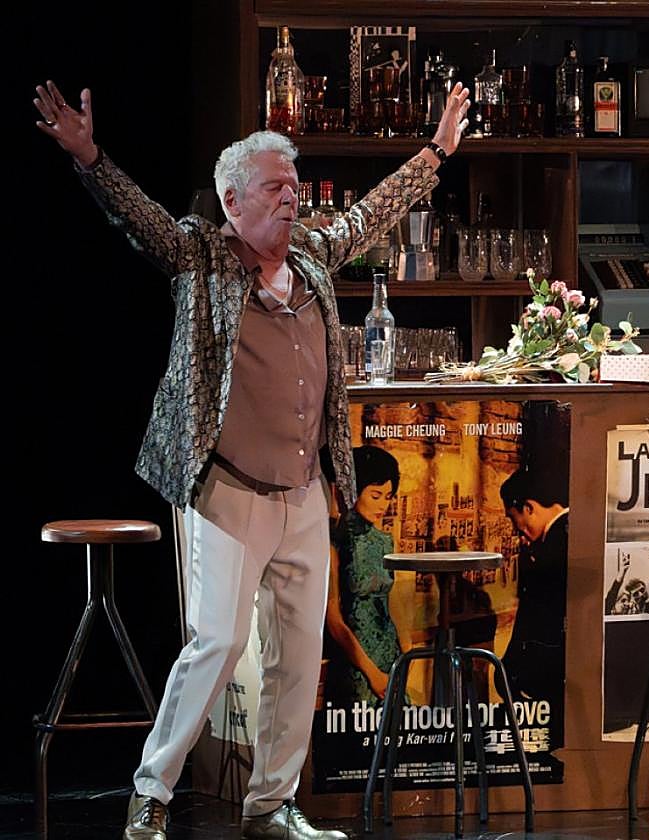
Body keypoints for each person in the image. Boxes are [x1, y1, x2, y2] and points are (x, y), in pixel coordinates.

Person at [33, 78, 471, 840]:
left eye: (294, 187)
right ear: (232, 202)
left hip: (303, 489)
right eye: (274, 188)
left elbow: (371, 212)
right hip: (227, 487)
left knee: (298, 654)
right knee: (219, 642)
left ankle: (272, 805)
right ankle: (151, 791)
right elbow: (138, 217)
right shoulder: (201, 256)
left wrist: (436, 152)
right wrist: (90, 157)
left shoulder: (313, 257)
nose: (291, 199)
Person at [325, 445, 413, 707]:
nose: (383, 505)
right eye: (376, 496)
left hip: (390, 654)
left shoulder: (385, 541)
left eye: (388, 497)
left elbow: (392, 601)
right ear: (354, 490)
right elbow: (333, 619)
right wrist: (371, 672)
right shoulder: (334, 542)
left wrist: (407, 653)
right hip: (355, 660)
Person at [499, 468, 568, 703]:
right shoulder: (568, 533)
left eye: (512, 518)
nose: (515, 528)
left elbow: (537, 615)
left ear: (528, 508)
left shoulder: (552, 548)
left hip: (547, 672)